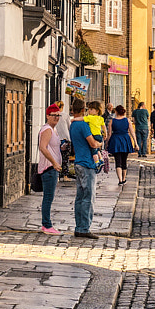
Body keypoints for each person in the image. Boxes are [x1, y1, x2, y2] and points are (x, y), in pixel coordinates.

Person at [69, 97, 103, 237]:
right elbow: (93, 144)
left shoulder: (73, 125)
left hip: (78, 162)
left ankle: (79, 226)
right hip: (87, 164)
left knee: (80, 196)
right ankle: (84, 228)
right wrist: (100, 144)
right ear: (83, 110)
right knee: (88, 197)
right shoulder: (83, 126)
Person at [35, 104, 63, 233]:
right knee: (48, 198)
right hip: (49, 168)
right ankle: (47, 225)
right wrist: (54, 163)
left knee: (49, 197)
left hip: (52, 168)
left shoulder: (53, 129)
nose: (56, 118)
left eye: (58, 115)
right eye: (54, 115)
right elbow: (43, 147)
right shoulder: (47, 129)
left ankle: (46, 224)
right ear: (48, 116)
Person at [107, 105, 133, 186]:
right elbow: (132, 132)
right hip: (125, 140)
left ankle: (120, 180)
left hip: (116, 141)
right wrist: (136, 143)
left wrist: (107, 143)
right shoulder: (127, 120)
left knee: (117, 161)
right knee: (124, 161)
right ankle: (124, 178)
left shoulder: (112, 121)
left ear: (116, 112)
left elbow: (109, 134)